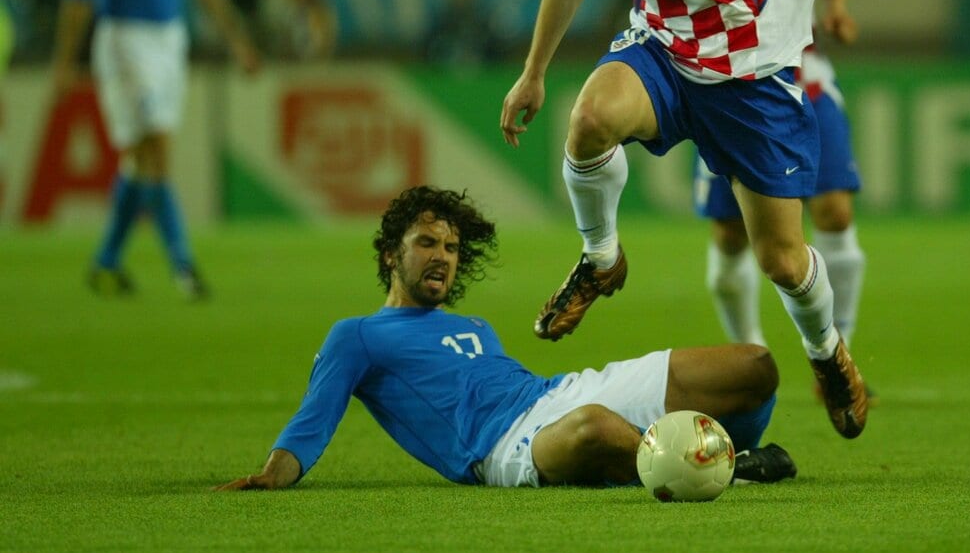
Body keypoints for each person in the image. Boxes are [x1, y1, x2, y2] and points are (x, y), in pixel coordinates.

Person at [499, 0, 970, 439]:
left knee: (781, 258)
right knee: (591, 118)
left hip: (752, 72)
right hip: (662, 47)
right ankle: (600, 257)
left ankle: (827, 351)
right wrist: (533, 70)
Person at [217, 185, 796, 490]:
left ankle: (710, 456)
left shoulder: (474, 327)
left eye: (450, 247)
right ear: (391, 253)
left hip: (562, 392)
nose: (442, 257)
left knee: (754, 368)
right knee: (592, 427)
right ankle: (729, 471)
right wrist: (276, 471)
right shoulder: (358, 336)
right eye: (426, 244)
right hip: (504, 449)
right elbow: (313, 420)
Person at [692, 0, 867, 357]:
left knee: (835, 209)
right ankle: (750, 353)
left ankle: (841, 344)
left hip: (804, 74)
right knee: (730, 234)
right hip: (725, 79)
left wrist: (837, 5)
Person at [53, 0, 259, 300]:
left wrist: (238, 41)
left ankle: (106, 259)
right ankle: (184, 266)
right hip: (125, 40)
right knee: (157, 151)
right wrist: (64, 62)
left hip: (170, 41)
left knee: (139, 161)